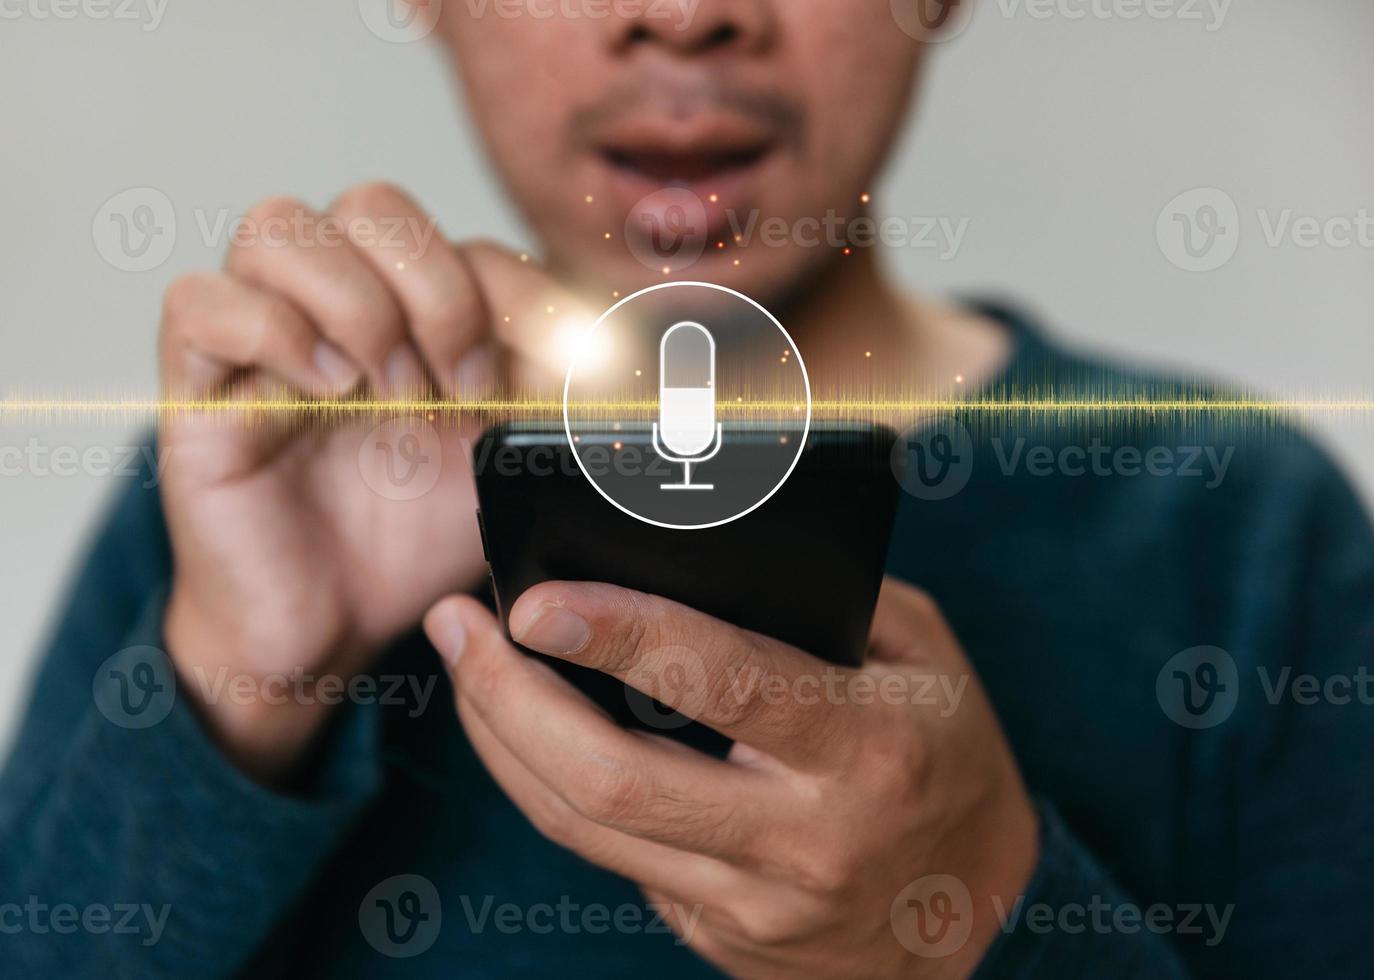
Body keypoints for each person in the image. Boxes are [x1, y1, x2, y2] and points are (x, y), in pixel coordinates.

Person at [3, 1, 1371, 976]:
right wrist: (245, 680)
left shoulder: (1236, 526)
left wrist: (981, 923)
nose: (680, 15)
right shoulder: (259, 479)